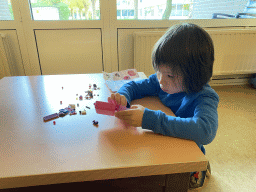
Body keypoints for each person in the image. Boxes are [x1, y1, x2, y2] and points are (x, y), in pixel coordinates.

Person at [109, 23, 219, 190]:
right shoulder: (163, 82)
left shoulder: (204, 96)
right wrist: (124, 96)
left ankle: (203, 170)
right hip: (165, 143)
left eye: (169, 75)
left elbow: (206, 131)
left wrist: (149, 119)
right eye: (158, 71)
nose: (160, 80)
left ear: (195, 74)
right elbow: (133, 86)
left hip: (186, 161)